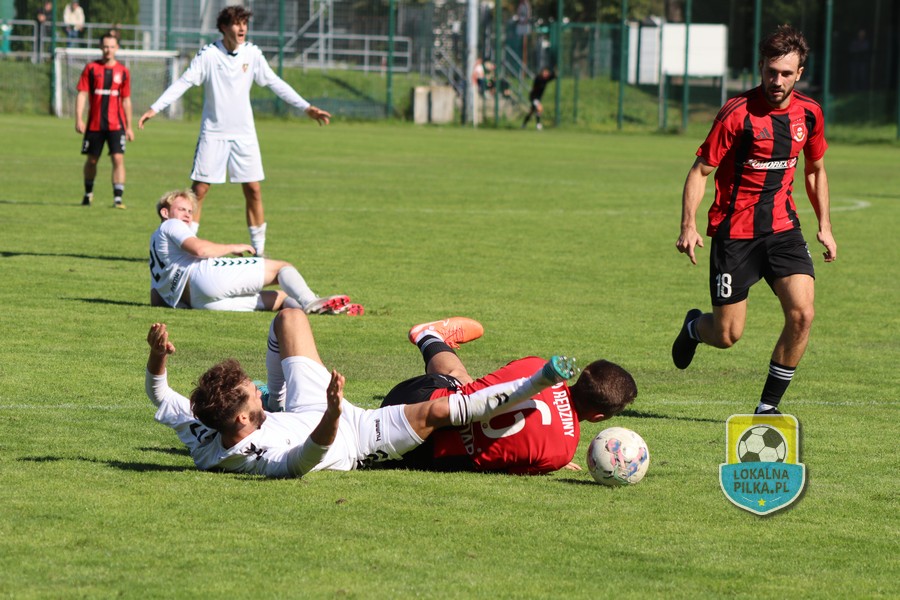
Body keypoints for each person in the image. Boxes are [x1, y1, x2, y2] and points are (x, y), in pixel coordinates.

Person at [144, 311, 577, 477]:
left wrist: (157, 356)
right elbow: (305, 460)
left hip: (306, 408)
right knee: (441, 410)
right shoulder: (252, 458)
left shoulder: (203, 432)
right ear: (242, 420)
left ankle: (279, 397)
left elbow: (161, 396)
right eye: (250, 394)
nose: (251, 390)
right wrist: (334, 412)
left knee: (290, 319)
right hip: (354, 438)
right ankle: (539, 380)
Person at [672, 25, 837, 415]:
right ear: (761, 67)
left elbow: (815, 171)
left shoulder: (809, 113)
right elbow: (700, 171)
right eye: (771, 71)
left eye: (786, 73)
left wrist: (825, 225)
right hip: (735, 234)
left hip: (783, 229)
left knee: (803, 313)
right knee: (727, 334)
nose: (777, 81)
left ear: (799, 73)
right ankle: (695, 327)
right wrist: (688, 225)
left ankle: (767, 408)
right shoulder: (737, 113)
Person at [137, 5, 332, 257]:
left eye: (245, 23)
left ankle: (259, 252)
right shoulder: (209, 55)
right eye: (237, 23)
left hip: (244, 135)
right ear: (224, 27)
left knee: (253, 190)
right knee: (199, 191)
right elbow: (184, 82)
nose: (242, 28)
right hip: (213, 134)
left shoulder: (252, 54)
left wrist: (306, 107)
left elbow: (275, 82)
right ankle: (188, 249)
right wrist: (155, 107)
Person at [373, 317, 637, 474]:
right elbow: (511, 467)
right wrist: (551, 458)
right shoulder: (562, 452)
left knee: (464, 383)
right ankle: (428, 334)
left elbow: (491, 387)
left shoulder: (536, 365)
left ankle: (429, 337)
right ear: (598, 417)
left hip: (412, 397)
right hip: (415, 453)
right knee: (469, 396)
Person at [149, 189, 363, 314]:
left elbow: (155, 297)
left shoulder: (155, 243)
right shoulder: (171, 224)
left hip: (200, 303)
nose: (187, 215)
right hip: (204, 277)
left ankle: (323, 310)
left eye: (190, 211)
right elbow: (200, 249)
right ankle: (310, 302)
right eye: (181, 209)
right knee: (281, 268)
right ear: (165, 213)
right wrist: (232, 247)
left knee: (281, 298)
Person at [75, 33, 133, 208]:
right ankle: (88, 193)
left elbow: (126, 100)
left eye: (112, 46)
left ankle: (118, 199)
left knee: (118, 158)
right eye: (106, 46)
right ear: (101, 47)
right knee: (92, 160)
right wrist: (79, 118)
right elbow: (82, 94)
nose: (108, 50)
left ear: (117, 48)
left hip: (116, 124)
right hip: (95, 124)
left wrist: (129, 127)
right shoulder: (91, 68)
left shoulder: (123, 71)